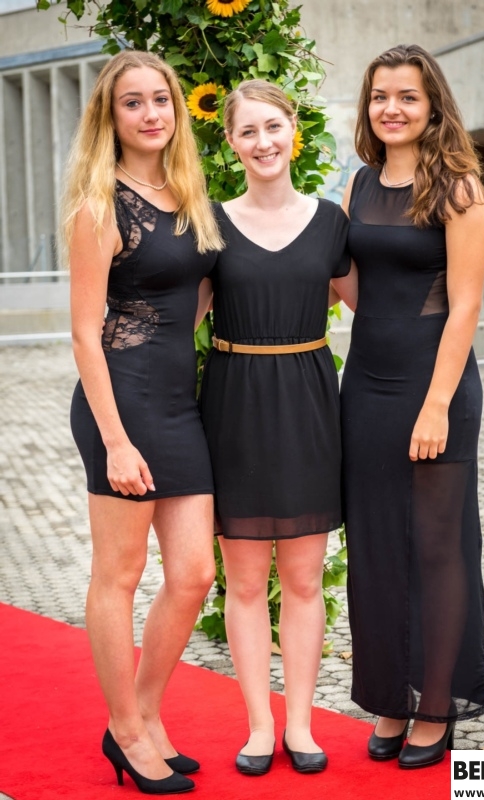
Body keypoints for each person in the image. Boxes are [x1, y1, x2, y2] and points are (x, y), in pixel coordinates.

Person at [66, 50, 223, 794]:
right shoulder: (100, 204)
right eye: (133, 102)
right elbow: (82, 333)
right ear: (111, 115)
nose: (151, 113)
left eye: (161, 99)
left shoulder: (188, 193)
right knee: (119, 574)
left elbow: (193, 297)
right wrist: (116, 441)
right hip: (120, 404)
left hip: (177, 401)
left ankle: (145, 714)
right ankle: (126, 731)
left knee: (193, 574)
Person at [335, 43, 484, 769]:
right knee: (374, 547)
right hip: (366, 384)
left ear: (432, 107)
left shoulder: (457, 186)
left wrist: (435, 407)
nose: (390, 108)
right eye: (379, 96)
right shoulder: (358, 184)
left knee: (436, 549)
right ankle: (391, 698)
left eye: (406, 96)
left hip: (438, 386)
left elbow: (465, 307)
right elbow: (355, 289)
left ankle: (435, 706)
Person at [197, 79, 350, 776]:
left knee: (305, 579)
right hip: (234, 406)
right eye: (248, 131)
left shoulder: (331, 222)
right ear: (231, 143)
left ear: (294, 129)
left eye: (273, 126)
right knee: (245, 582)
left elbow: (377, 305)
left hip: (310, 406)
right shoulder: (209, 224)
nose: (263, 142)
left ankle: (301, 725)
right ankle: (259, 725)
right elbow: (178, 316)